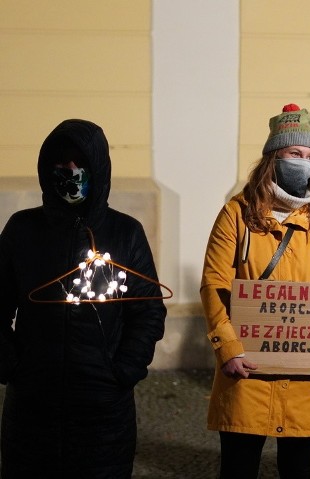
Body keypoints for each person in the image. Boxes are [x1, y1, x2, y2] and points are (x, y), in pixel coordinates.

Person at [0, 119, 167, 477]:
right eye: (62, 165)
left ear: (99, 168)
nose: (72, 173)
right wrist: (12, 364)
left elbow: (148, 311)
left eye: (81, 164)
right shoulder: (23, 230)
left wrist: (124, 370)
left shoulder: (125, 233)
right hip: (32, 402)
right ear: (47, 169)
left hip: (103, 406)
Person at [200, 104, 310, 479]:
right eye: (294, 154)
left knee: (298, 468)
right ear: (274, 157)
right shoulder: (236, 213)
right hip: (246, 372)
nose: (303, 162)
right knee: (239, 466)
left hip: (306, 376)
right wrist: (229, 349)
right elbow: (214, 283)